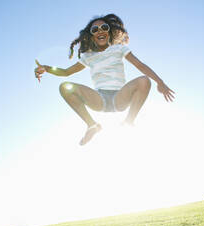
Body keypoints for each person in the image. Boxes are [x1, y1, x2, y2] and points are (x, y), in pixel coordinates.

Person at [34, 14, 175, 146]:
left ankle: (129, 121)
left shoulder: (119, 49)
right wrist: (46, 68)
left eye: (104, 27)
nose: (100, 31)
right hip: (99, 98)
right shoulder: (88, 56)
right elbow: (66, 72)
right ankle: (92, 125)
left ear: (110, 32)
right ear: (91, 35)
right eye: (95, 29)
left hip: (119, 97)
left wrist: (160, 82)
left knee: (144, 81)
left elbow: (139, 65)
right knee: (65, 87)